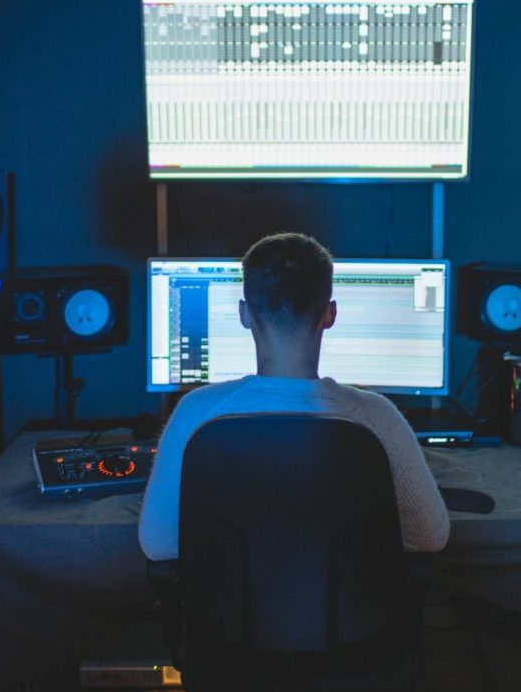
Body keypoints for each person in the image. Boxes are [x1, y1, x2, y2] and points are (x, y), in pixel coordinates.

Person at [139, 232, 450, 561]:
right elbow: (430, 537)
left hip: (225, 595)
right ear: (330, 314)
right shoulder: (377, 417)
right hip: (345, 595)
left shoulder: (196, 413)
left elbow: (157, 544)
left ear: (244, 314)